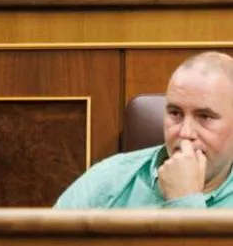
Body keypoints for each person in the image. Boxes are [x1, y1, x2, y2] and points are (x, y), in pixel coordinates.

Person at [56, 51, 233, 208]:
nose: (185, 133)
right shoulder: (110, 180)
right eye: (175, 113)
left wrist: (185, 201)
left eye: (205, 117)